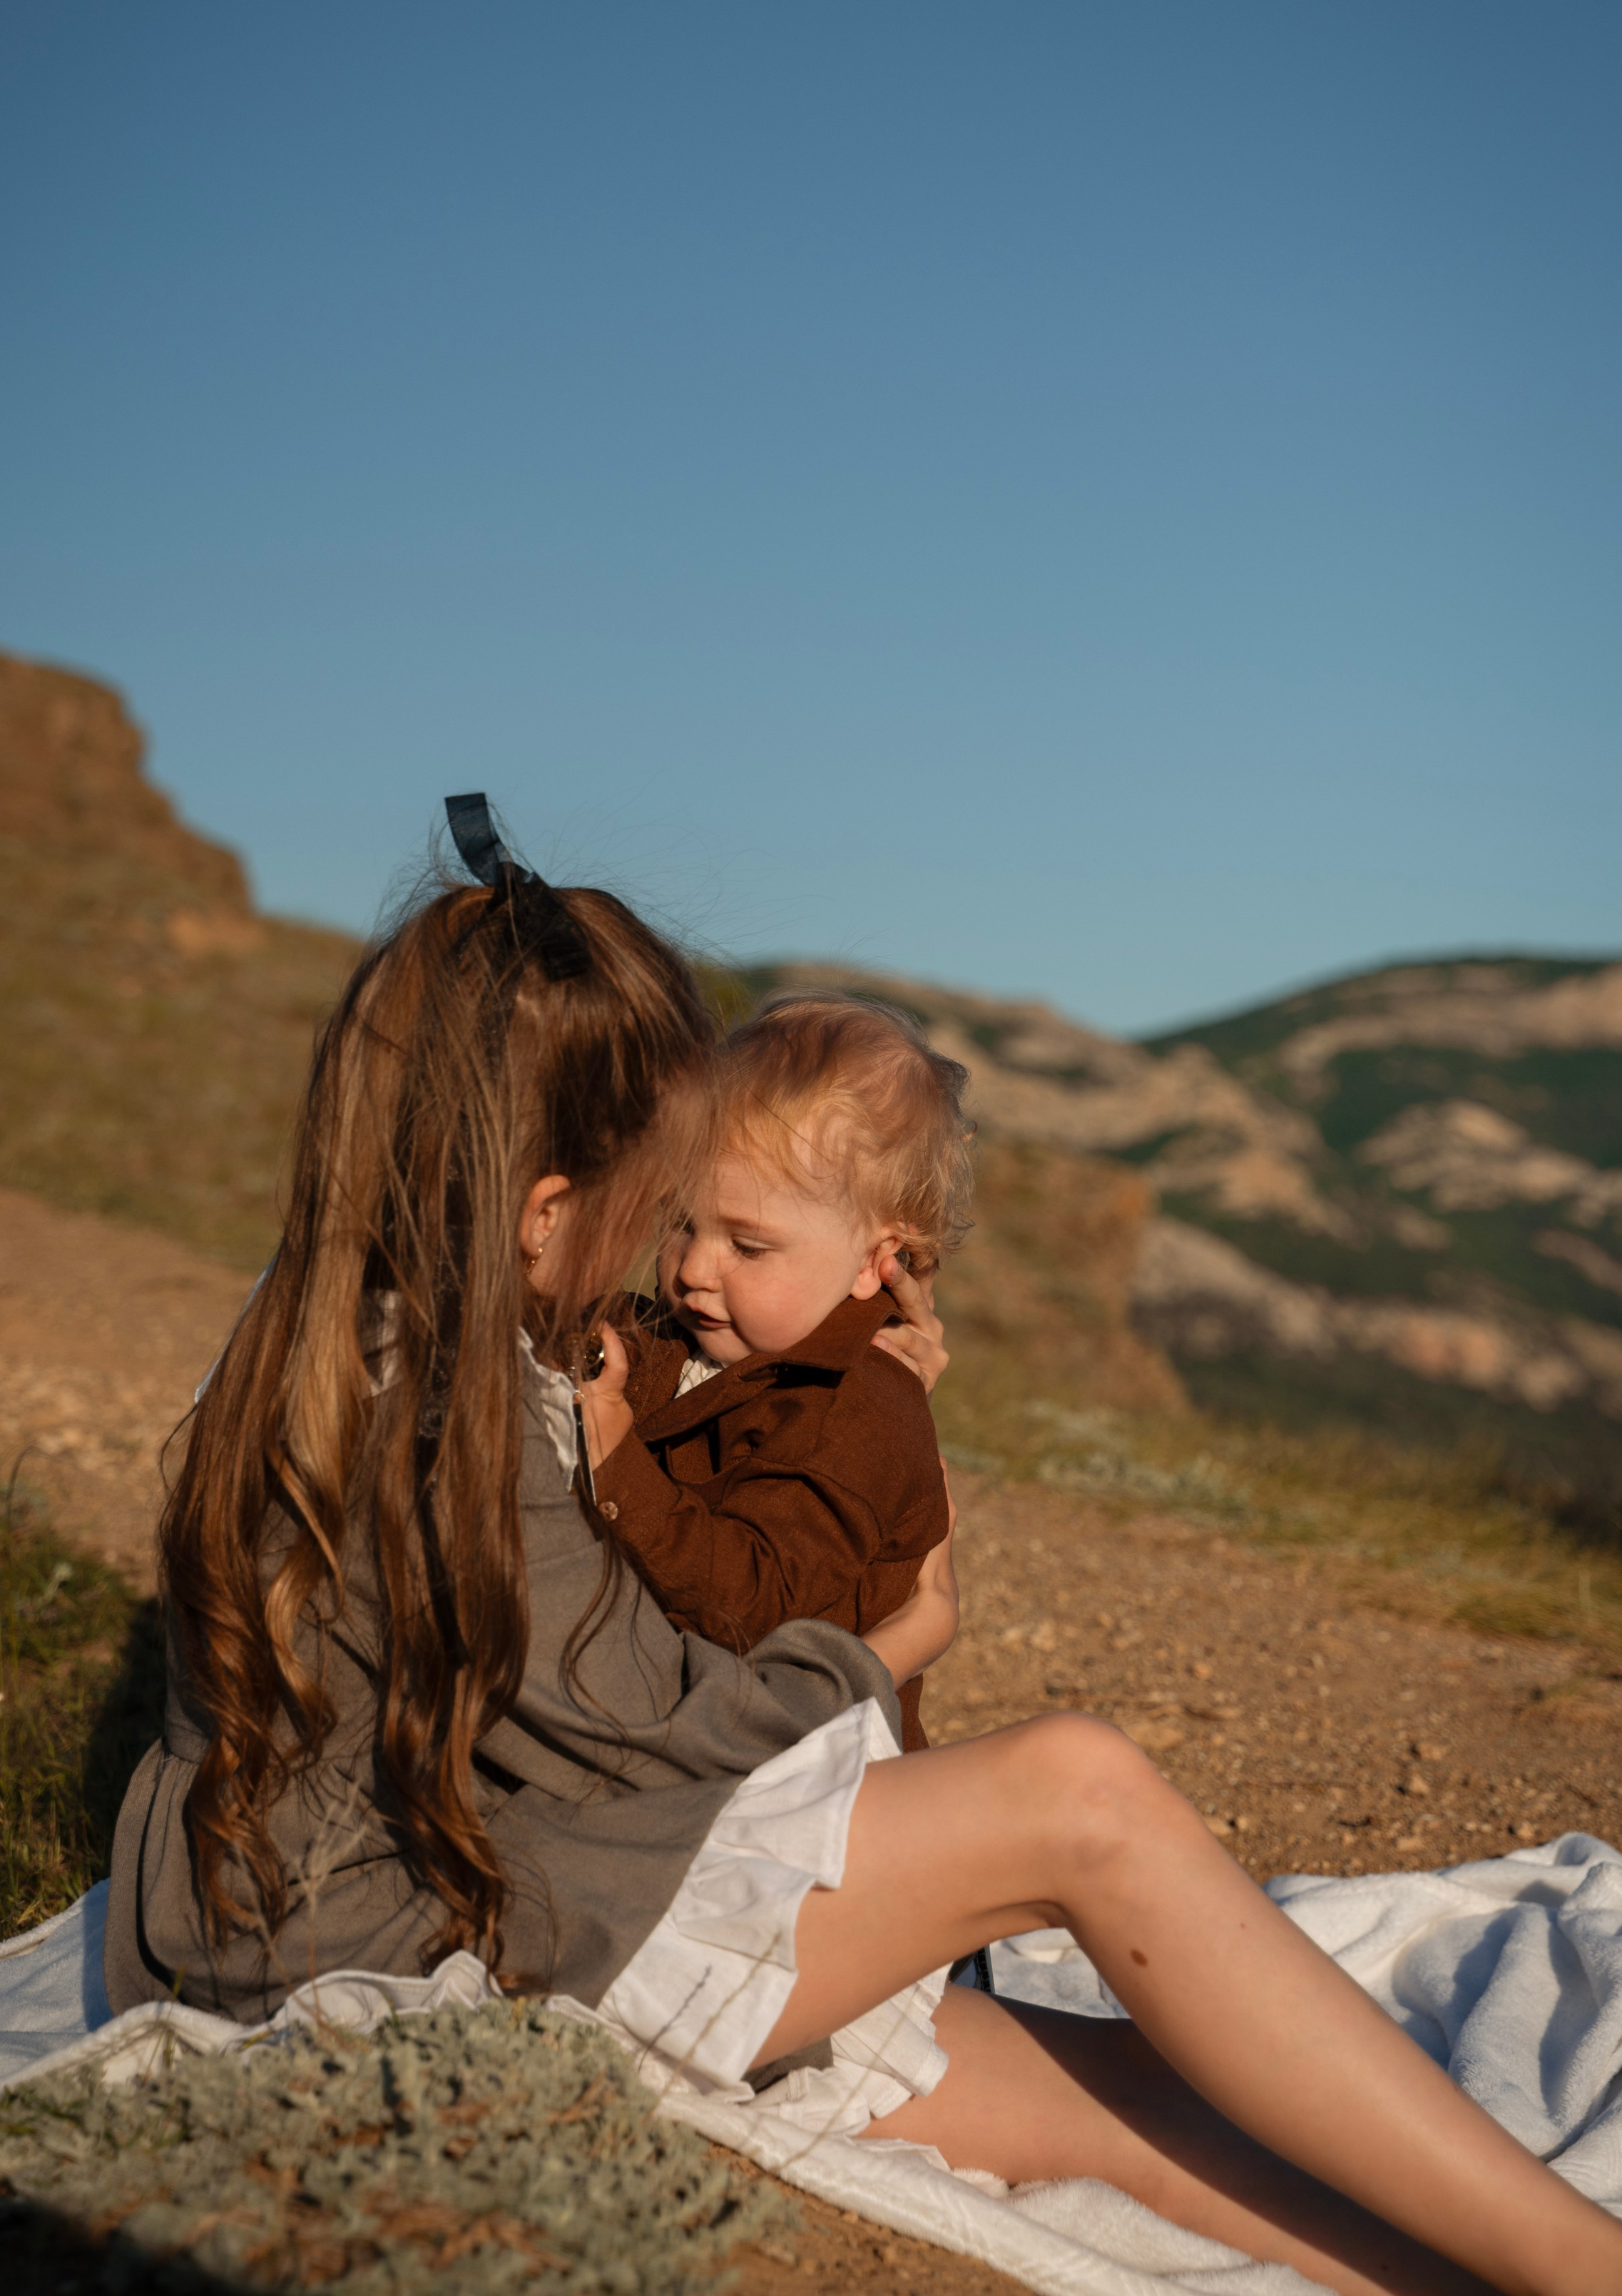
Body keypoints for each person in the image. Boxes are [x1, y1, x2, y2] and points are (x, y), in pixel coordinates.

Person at [107, 823, 1622, 2296]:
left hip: (393, 1886)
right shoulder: (453, 1424)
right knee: (1076, 1794)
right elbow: (660, 1729)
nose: (668, 1256)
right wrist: (892, 1643)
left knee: (1121, 2102)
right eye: (657, 1196)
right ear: (544, 1207)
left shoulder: (361, 1325)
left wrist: (818, 1400)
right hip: (392, 1947)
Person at [582, 991, 963, 1750]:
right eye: (681, 1221)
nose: (692, 1268)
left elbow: (752, 1606)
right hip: (679, 1725)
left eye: (747, 1247)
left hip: (804, 1769)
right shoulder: (684, 1332)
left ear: (871, 1261)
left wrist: (614, 1459)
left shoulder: (859, 1409)